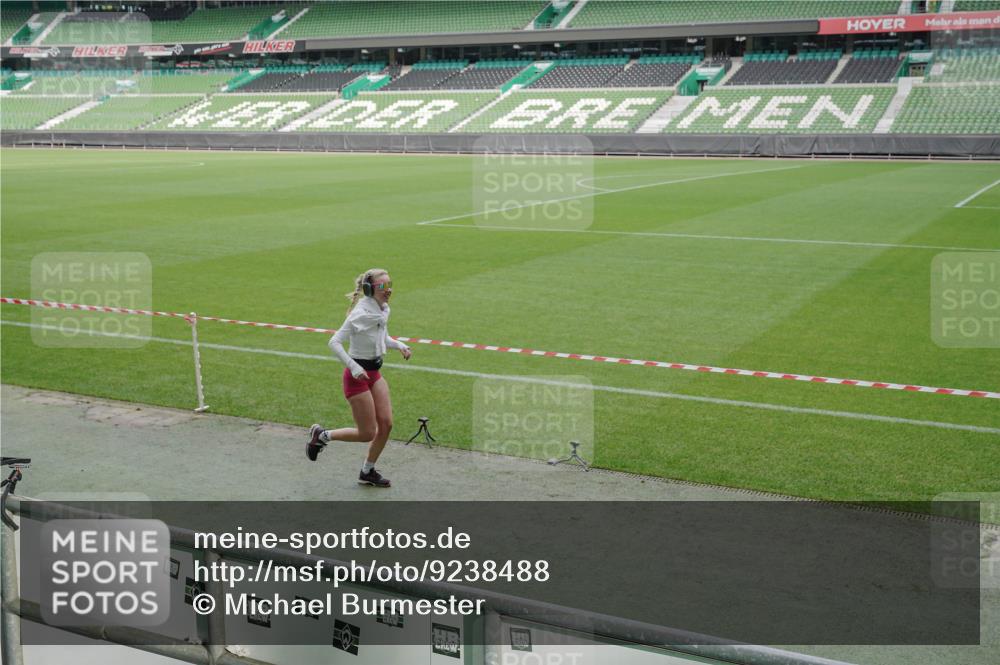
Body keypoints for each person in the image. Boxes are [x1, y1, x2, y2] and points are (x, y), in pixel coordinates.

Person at [307, 269, 411, 487]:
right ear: (368, 289)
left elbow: (382, 337)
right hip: (356, 377)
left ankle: (367, 471)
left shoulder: (382, 309)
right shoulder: (359, 314)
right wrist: (353, 368)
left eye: (389, 284)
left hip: (374, 373)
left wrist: (399, 344)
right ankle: (323, 435)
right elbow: (334, 342)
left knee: (387, 424)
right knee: (367, 433)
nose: (388, 290)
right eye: (382, 286)